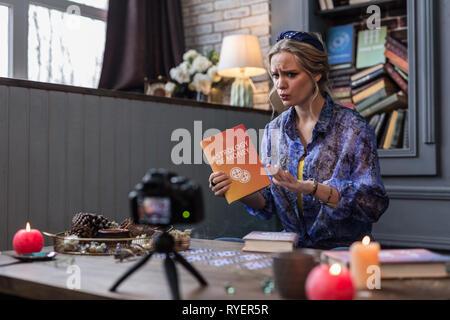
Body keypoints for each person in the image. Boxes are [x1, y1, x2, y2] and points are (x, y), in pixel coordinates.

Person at [209, 30, 389, 250]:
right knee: (222, 246)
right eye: (276, 75)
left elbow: (373, 204)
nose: (280, 85)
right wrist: (237, 188)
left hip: (341, 249)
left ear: (316, 74)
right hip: (290, 248)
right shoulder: (273, 130)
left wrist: (310, 188)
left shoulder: (353, 128)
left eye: (291, 75)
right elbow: (266, 204)